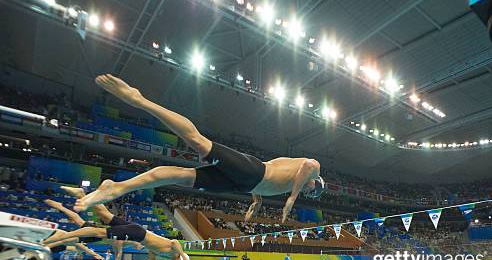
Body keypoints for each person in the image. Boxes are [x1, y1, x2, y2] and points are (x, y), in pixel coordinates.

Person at [74, 74, 326, 222]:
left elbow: (273, 177)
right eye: (313, 191)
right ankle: (139, 100)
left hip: (244, 183)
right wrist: (291, 198)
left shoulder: (294, 178)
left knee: (179, 176)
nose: (309, 193)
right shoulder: (310, 172)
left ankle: (117, 187)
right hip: (253, 172)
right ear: (318, 182)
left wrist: (256, 201)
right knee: (197, 141)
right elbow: (308, 164)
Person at [43, 196, 192, 260]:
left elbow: (151, 253)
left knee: (106, 216)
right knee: (98, 231)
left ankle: (86, 195)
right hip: (137, 233)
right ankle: (63, 236)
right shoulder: (174, 251)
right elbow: (175, 242)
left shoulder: (164, 255)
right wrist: (184, 255)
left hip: (136, 232)